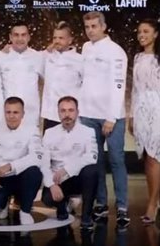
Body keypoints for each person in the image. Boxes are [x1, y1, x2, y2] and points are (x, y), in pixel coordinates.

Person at [78, 12, 129, 227]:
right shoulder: (85, 48)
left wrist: (111, 117)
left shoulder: (116, 51)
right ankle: (101, 204)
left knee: (116, 161)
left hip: (111, 117)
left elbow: (119, 85)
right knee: (96, 163)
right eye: (87, 26)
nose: (90, 30)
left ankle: (122, 208)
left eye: (94, 26)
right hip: (88, 115)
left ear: (104, 27)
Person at [129, 19, 160, 224]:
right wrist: (131, 114)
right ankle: (155, 198)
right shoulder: (138, 57)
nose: (141, 35)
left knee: (154, 156)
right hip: (141, 108)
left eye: (146, 31)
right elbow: (135, 89)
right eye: (139, 31)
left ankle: (152, 203)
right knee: (147, 157)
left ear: (156, 34)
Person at [0, 97, 43, 225]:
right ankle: (2, 203)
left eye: (16, 112)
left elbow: (37, 157)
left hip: (21, 176)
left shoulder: (32, 129)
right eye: (8, 112)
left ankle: (25, 211)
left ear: (23, 114)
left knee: (35, 172)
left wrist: (11, 166)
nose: (11, 116)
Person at [41, 96, 98, 231]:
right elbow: (43, 163)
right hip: (57, 180)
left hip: (78, 178)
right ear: (58, 113)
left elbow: (92, 157)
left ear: (77, 112)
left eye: (71, 110)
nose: (67, 115)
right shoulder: (49, 133)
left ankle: (86, 217)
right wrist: (51, 185)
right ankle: (62, 206)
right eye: (63, 111)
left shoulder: (88, 132)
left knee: (92, 171)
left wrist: (67, 169)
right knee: (48, 199)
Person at [0, 23, 44, 126]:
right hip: (7, 115)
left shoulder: (38, 57)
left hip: (31, 115)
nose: (20, 38)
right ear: (10, 37)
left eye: (23, 35)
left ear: (29, 37)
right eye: (16, 35)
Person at [40, 22, 83, 131]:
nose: (57, 41)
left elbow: (86, 86)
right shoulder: (46, 56)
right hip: (50, 115)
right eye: (55, 38)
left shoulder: (80, 60)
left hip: (70, 116)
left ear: (70, 40)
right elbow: (28, 57)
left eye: (61, 38)